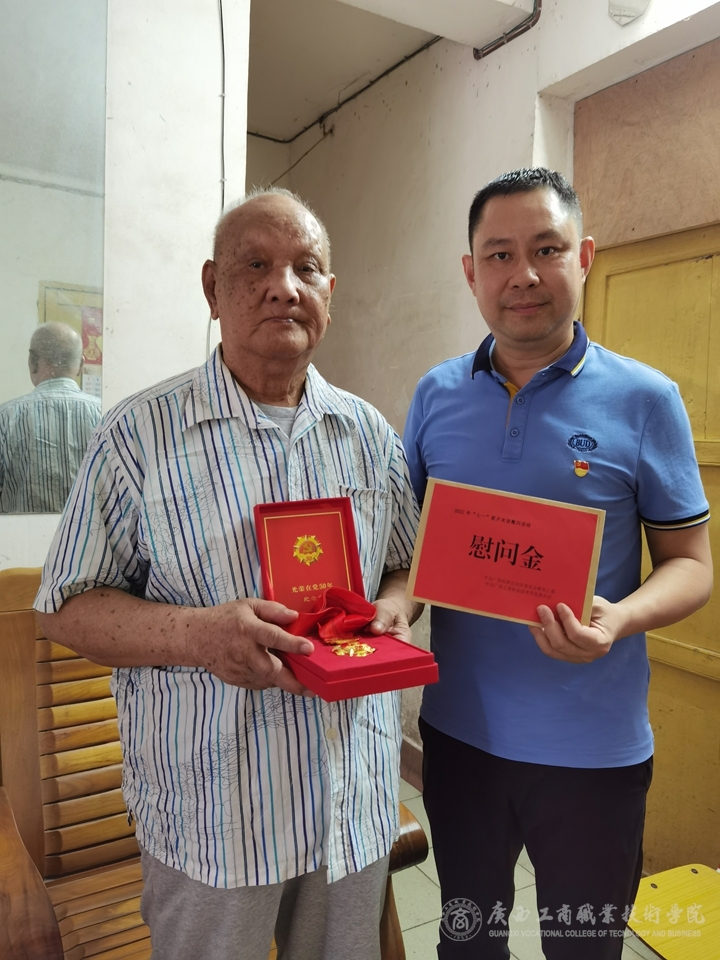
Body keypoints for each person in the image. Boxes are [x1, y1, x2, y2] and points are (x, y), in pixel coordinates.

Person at [35, 188, 421, 960]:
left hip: (350, 801)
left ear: (329, 294)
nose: (284, 286)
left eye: (306, 268)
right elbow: (65, 607)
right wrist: (197, 634)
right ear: (213, 288)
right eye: (256, 266)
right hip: (215, 821)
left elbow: (403, 565)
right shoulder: (137, 436)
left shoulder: (369, 434)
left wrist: (395, 608)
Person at [403, 168, 712, 959]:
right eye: (499, 255)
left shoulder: (647, 399)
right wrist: (396, 607)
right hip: (461, 739)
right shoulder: (435, 395)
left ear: (585, 258)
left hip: (592, 751)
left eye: (547, 249)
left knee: (583, 948)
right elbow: (413, 550)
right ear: (471, 271)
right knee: (469, 943)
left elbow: (691, 565)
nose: (524, 275)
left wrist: (622, 618)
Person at [0, 322, 100, 512]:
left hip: (20, 532)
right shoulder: (106, 415)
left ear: (32, 361)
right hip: (91, 532)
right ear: (81, 365)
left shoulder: (5, 418)